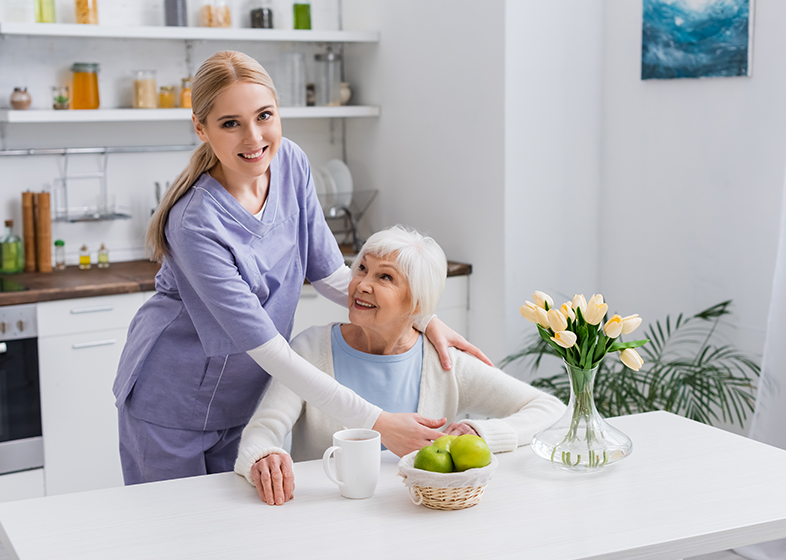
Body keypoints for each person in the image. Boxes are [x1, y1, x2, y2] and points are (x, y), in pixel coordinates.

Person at [112, 51, 489, 485]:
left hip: (243, 401)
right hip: (170, 405)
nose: (254, 138)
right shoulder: (195, 221)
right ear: (202, 129)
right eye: (230, 123)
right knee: (170, 541)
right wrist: (379, 423)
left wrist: (421, 318)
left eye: (264, 116)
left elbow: (332, 276)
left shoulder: (288, 162)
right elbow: (272, 350)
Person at [235, 226, 566, 505]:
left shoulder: (444, 363)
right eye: (361, 269)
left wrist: (481, 433)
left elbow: (549, 408)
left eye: (385, 277)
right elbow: (262, 430)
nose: (362, 284)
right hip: (328, 521)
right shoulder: (311, 348)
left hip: (418, 517)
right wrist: (264, 456)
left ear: (417, 302)